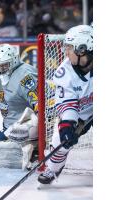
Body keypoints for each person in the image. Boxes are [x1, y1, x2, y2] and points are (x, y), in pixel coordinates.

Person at [38, 24, 93, 184]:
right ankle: (53, 169)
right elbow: (67, 104)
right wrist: (67, 126)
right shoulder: (64, 73)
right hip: (82, 113)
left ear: (82, 49)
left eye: (69, 47)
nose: (65, 52)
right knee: (59, 142)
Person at [0, 43, 38, 170]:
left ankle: (36, 147)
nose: (1, 69)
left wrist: (14, 131)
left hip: (26, 127)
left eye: (4, 65)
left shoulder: (25, 76)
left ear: (14, 60)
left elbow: (40, 108)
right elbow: (4, 95)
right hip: (9, 126)